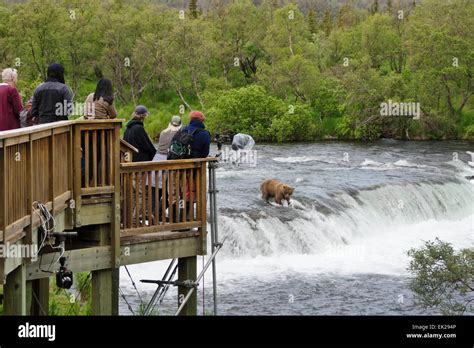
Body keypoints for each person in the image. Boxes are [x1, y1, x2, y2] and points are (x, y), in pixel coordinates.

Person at [150, 115, 182, 215]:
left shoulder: (163, 132)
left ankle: (154, 213)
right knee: (170, 190)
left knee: (156, 189)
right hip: (167, 160)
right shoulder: (178, 133)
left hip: (157, 159)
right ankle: (161, 212)